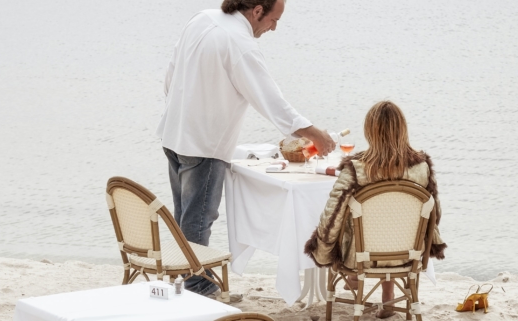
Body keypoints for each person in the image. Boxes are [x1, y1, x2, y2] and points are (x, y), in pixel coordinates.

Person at [156, 0, 336, 296]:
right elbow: (271, 101)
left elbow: (171, 72)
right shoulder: (240, 44)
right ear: (257, 11)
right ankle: (198, 289)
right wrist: (315, 133)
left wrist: (176, 108)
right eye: (274, 19)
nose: (273, 27)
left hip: (173, 134)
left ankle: (187, 282)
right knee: (198, 220)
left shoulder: (202, 19)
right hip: (203, 145)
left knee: (184, 217)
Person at [304, 101, 447, 319]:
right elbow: (434, 214)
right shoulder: (422, 167)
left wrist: (322, 247)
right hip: (407, 255)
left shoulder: (355, 169)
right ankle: (388, 294)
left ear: (369, 131)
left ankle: (354, 280)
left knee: (353, 224)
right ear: (403, 129)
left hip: (361, 258)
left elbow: (332, 217)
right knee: (392, 226)